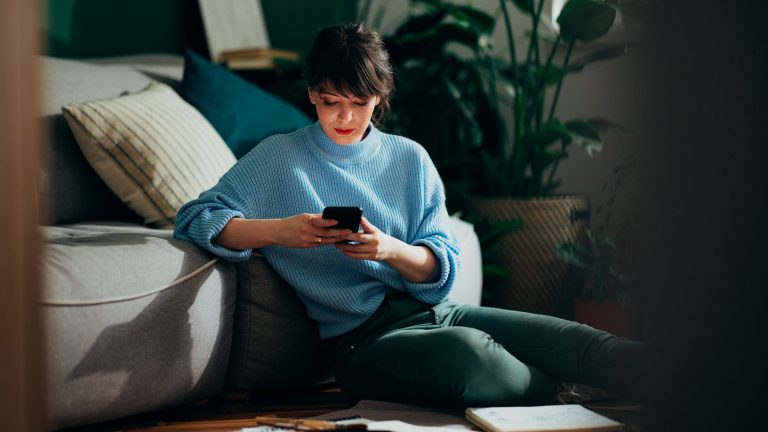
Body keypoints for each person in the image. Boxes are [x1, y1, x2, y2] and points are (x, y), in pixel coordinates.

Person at [174, 23, 651, 408]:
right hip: (363, 345)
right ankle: (567, 392)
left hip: (435, 313)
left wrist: (391, 250)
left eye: (359, 104)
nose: (343, 118)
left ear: (380, 97)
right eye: (330, 102)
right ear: (312, 94)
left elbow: (441, 264)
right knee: (472, 356)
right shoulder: (280, 157)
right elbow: (195, 217)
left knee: (581, 341)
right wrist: (282, 231)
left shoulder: (409, 158)